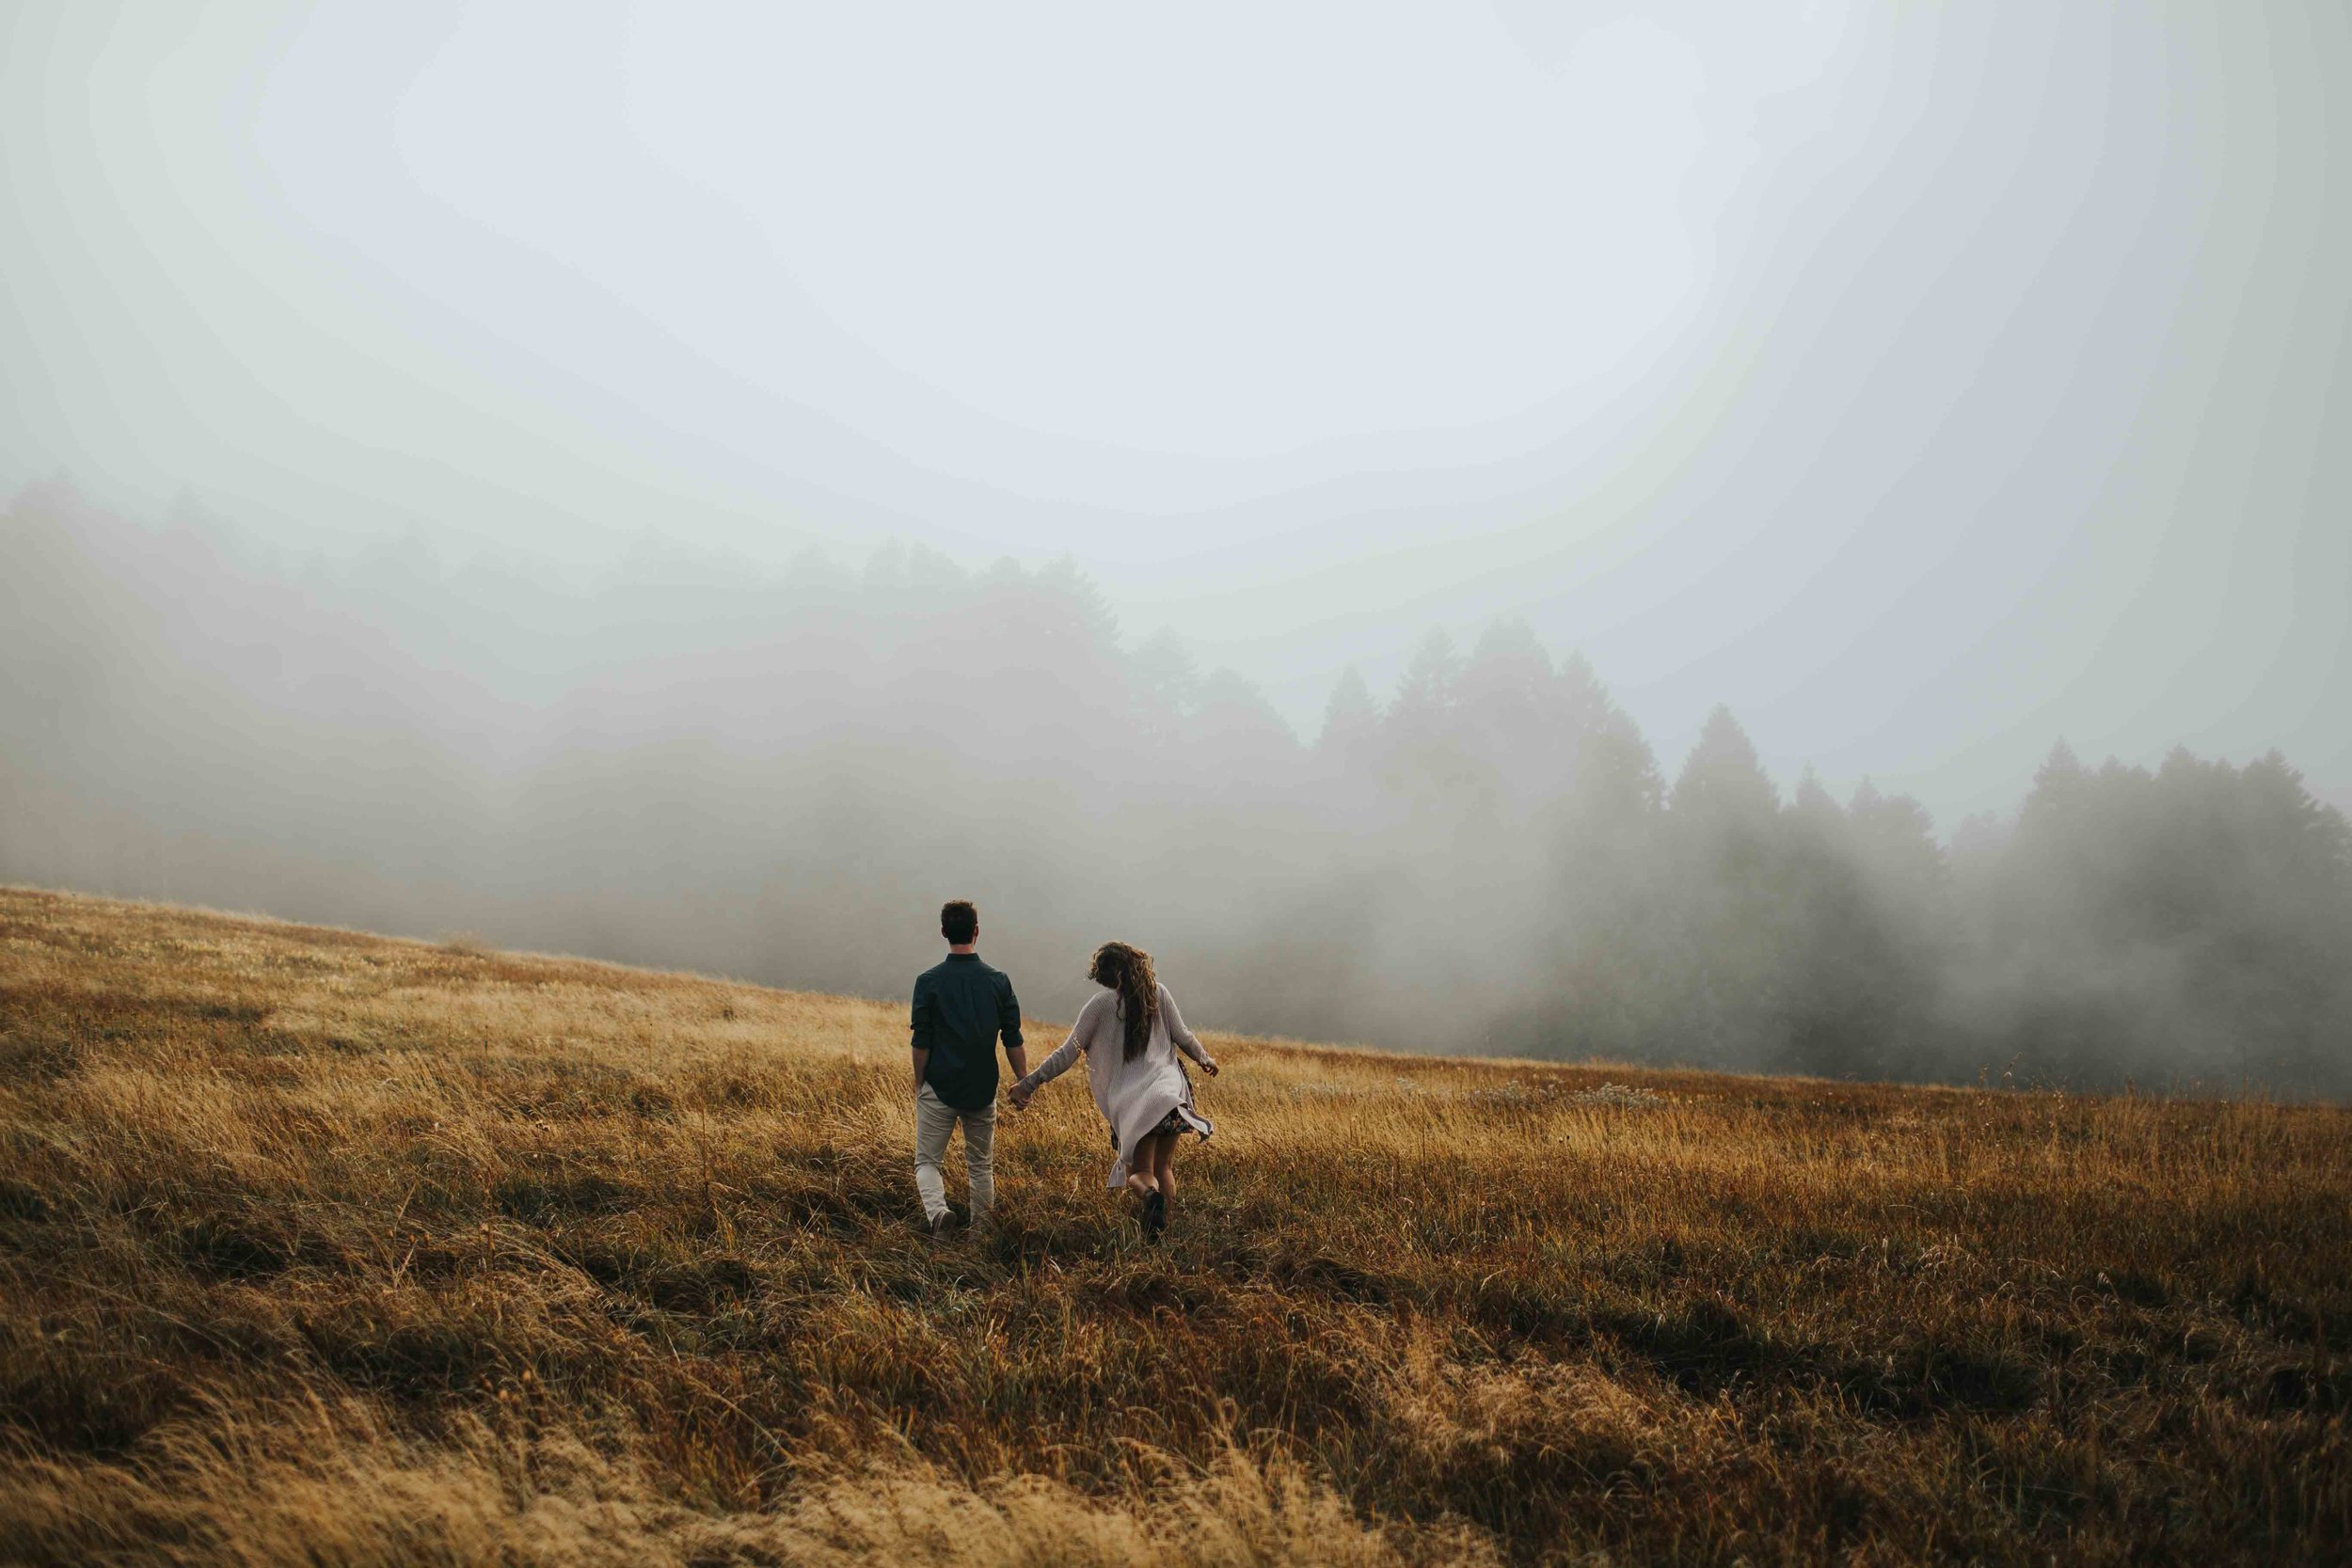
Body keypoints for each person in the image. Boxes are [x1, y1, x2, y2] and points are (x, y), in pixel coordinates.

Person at [1007, 941, 1218, 1241]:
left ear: (1108, 973)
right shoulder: (1158, 992)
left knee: (1140, 1174)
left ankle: (1150, 1199)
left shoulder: (1100, 1005)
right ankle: (1163, 1236)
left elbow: (1068, 1052)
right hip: (1172, 1095)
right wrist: (1205, 1058)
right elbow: (1183, 1036)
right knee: (1165, 1167)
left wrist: (1028, 1083)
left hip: (1137, 1103)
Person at [909, 899, 1026, 1235]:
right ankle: (980, 1236)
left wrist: (920, 1083)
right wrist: (1023, 1081)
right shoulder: (998, 981)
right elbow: (1012, 1038)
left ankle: (938, 1213)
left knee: (927, 1162)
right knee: (980, 1166)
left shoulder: (928, 981)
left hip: (939, 1085)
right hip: (981, 1087)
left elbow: (922, 1041)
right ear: (976, 931)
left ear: (943, 932)